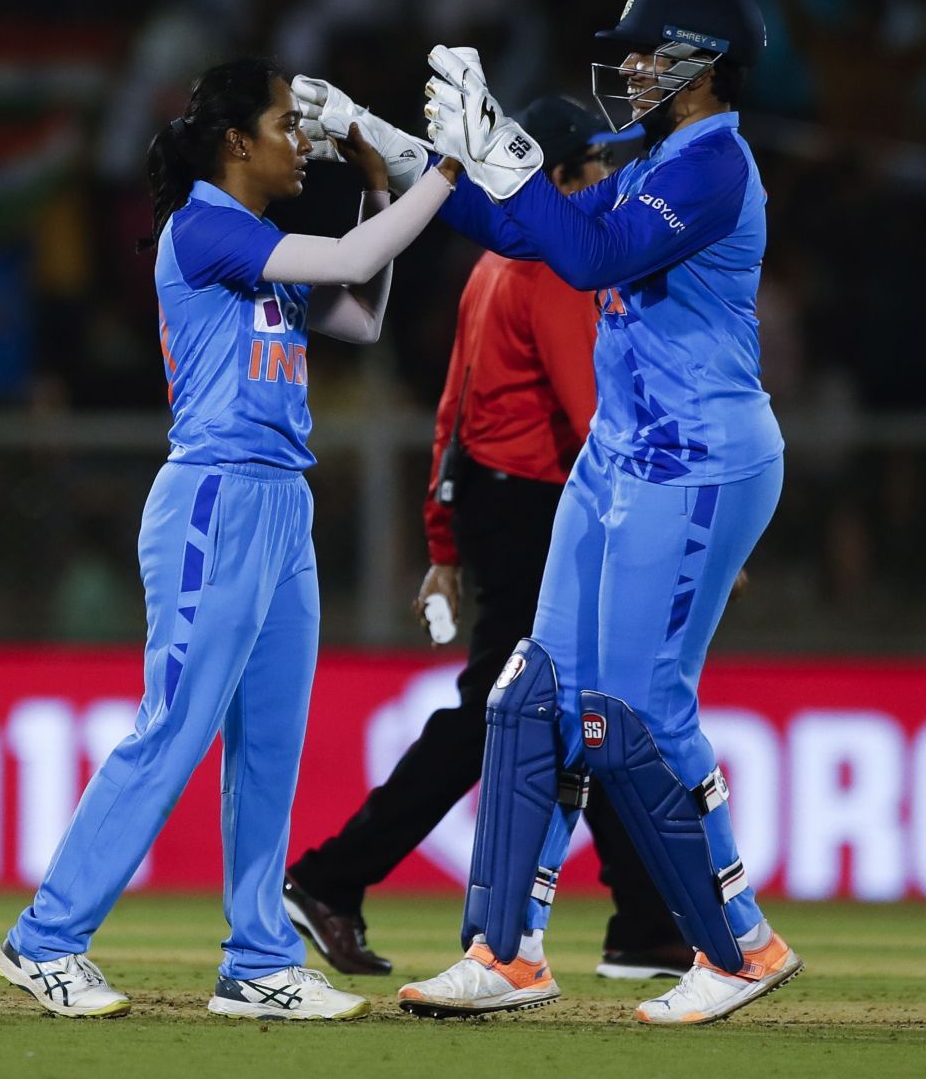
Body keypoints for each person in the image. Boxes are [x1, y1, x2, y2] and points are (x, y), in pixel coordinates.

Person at [299, 0, 799, 1025]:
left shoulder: (713, 166)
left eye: (645, 51)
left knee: (637, 707)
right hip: (621, 455)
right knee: (532, 692)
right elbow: (520, 229)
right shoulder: (659, 156)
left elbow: (587, 253)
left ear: (703, 66)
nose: (623, 66)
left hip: (697, 456)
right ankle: (507, 950)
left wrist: (507, 148)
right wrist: (376, 136)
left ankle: (739, 940)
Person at [0, 57, 461, 1022]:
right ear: (235, 141)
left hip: (283, 505)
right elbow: (351, 266)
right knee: (176, 726)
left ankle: (258, 962)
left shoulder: (259, 239)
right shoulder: (202, 228)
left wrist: (377, 182)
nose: (302, 141)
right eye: (287, 125)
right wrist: (445, 173)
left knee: (270, 747)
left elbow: (360, 318)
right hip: (214, 501)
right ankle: (44, 939)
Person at [281, 98, 697, 984]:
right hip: (539, 509)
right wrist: (667, 524)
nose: (609, 187)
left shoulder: (492, 264)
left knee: (572, 706)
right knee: (506, 716)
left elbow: (453, 410)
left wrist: (443, 537)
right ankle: (329, 877)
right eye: (594, 171)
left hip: (497, 503)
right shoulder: (552, 268)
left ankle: (642, 919)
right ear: (557, 178)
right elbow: (596, 421)